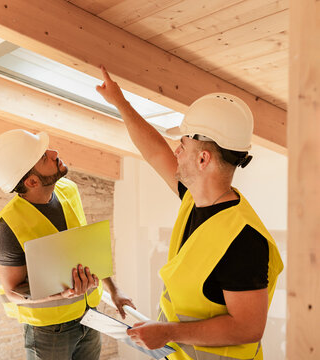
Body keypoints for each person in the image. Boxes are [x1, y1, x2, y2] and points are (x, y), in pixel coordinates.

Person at [95, 66, 283, 360]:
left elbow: (248, 328)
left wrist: (168, 332)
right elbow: (156, 152)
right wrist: (120, 103)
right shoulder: (194, 198)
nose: (176, 152)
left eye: (182, 145)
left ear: (203, 159)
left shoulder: (242, 239)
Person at [0, 129, 135, 360]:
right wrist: (61, 295)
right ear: (32, 181)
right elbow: (13, 292)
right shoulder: (7, 228)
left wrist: (114, 290)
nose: (54, 153)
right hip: (50, 332)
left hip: (89, 316)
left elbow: (86, 249)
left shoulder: (68, 190)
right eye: (45, 157)